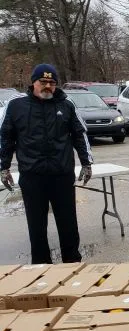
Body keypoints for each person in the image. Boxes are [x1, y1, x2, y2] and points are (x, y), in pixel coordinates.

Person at [0, 64, 93, 264]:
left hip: (62, 175)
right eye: (43, 82)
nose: (47, 86)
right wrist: (4, 166)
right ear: (33, 83)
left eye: (52, 82)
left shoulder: (66, 104)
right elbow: (6, 137)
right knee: (36, 228)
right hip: (32, 177)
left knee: (68, 226)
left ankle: (72, 266)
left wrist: (87, 163)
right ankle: (41, 269)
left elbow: (80, 134)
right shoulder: (16, 106)